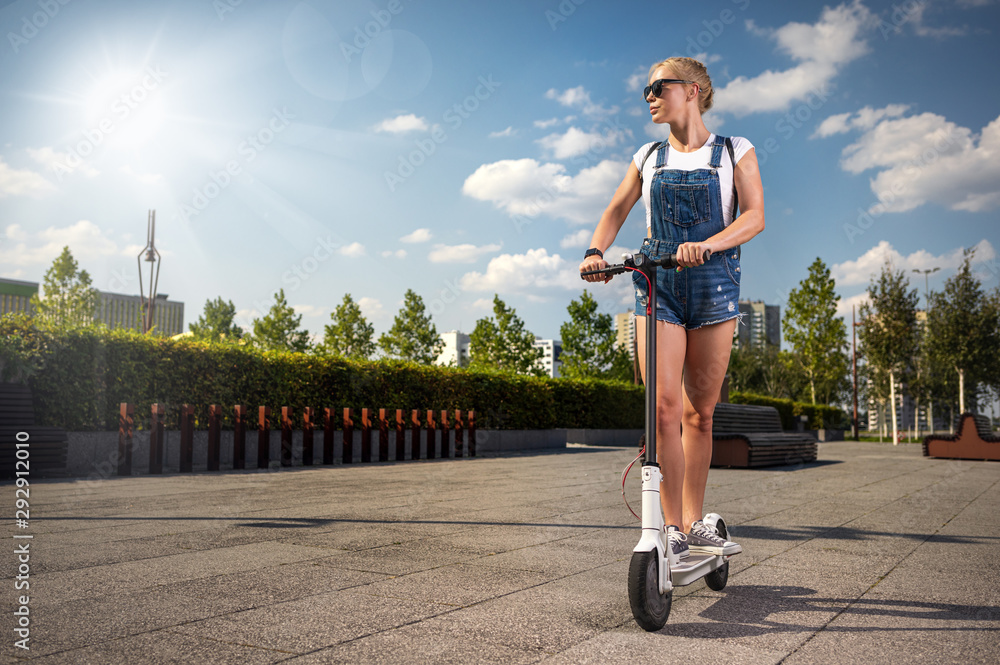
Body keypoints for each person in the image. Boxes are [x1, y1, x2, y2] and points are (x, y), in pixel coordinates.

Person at [580, 57, 764, 560]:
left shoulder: (734, 151)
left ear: (695, 89)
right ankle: (673, 528)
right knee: (662, 410)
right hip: (657, 289)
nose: (649, 96)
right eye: (646, 90)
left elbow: (755, 217)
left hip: (714, 289)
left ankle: (695, 518)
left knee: (698, 415)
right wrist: (596, 251)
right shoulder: (647, 156)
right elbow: (616, 209)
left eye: (658, 86)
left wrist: (710, 243)